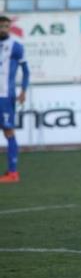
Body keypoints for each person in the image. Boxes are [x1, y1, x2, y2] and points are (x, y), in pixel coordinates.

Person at [0, 15, 28, 183]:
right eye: (1, 26)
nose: (3, 29)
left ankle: (12, 173)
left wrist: (23, 91)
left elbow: (26, 71)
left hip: (4, 97)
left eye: (6, 26)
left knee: (8, 131)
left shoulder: (15, 46)